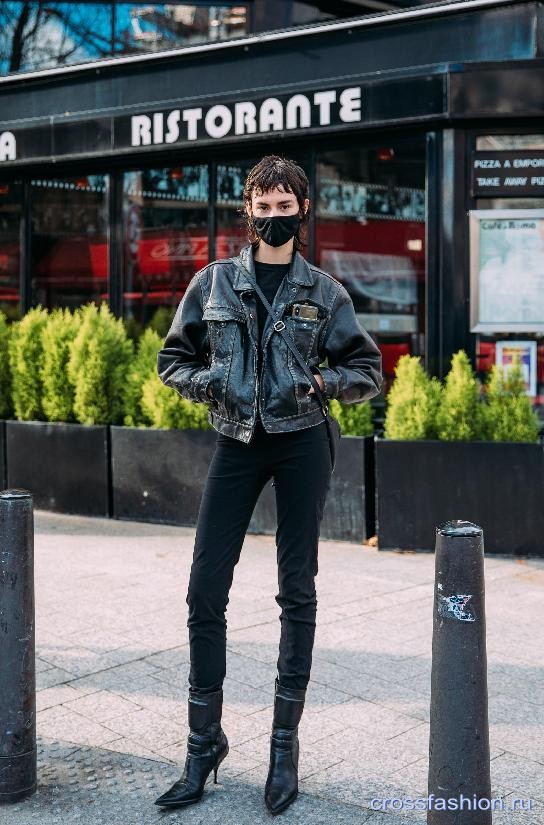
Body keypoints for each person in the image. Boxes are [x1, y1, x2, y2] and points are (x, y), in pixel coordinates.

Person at [154, 154, 383, 815]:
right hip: (235, 441)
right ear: (247, 209)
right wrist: (213, 383)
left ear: (302, 212)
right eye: (264, 204)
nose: (274, 216)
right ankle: (204, 744)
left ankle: (285, 748)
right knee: (203, 588)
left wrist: (325, 382)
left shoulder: (326, 292)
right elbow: (173, 360)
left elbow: (367, 368)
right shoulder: (215, 283)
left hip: (301, 442)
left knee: (297, 590)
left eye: (286, 206)